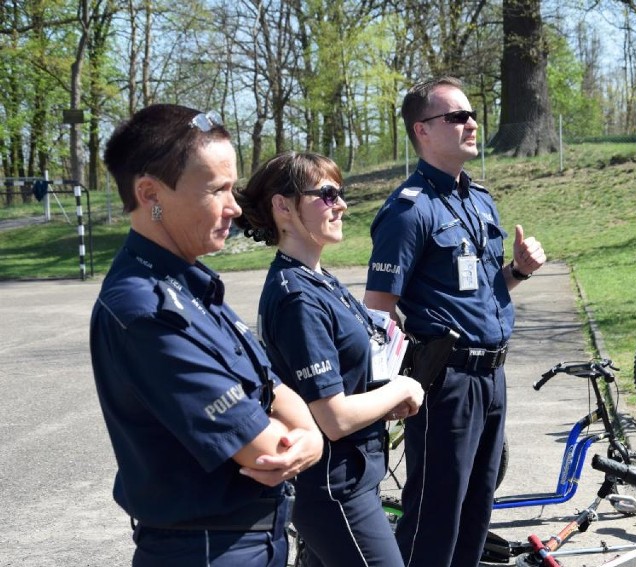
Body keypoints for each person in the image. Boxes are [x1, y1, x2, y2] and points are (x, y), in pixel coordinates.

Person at [89, 104, 324, 566]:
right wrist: (304, 434)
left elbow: (274, 388)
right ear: (150, 193)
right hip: (206, 550)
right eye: (217, 189)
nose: (235, 207)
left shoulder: (190, 285)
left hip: (256, 540)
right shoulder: (143, 310)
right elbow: (265, 452)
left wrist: (310, 432)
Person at [363, 77, 547, 566]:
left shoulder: (480, 200)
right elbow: (379, 308)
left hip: (492, 378)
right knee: (435, 516)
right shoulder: (408, 210)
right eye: (457, 117)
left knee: (475, 513)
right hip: (445, 381)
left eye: (471, 114)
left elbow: (485, 290)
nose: (471, 123)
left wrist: (518, 272)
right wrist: (403, 379)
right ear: (423, 131)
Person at [234, 151, 425, 567]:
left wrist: (380, 399)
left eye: (339, 193)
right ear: (282, 207)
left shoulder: (317, 279)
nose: (340, 204)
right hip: (334, 488)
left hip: (353, 476)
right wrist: (400, 389)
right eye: (326, 194)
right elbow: (332, 418)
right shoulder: (298, 296)